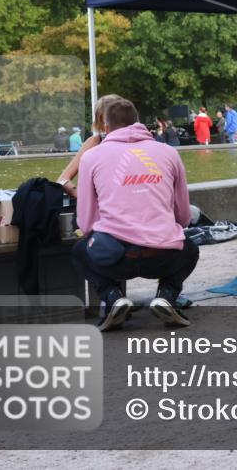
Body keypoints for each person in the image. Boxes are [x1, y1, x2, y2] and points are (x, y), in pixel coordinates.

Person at [70, 97, 198, 331]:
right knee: (189, 248)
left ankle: (113, 297)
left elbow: (86, 222)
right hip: (163, 256)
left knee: (79, 252)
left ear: (106, 127)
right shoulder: (168, 153)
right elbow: (184, 217)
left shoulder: (91, 157)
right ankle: (166, 296)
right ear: (138, 122)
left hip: (116, 258)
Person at [54, 94, 124, 199]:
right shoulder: (95, 142)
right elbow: (62, 180)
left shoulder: (137, 141)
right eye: (111, 116)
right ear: (101, 120)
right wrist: (83, 197)